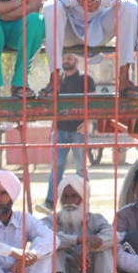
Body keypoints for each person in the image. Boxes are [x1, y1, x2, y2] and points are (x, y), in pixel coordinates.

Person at [40, 0, 138, 98]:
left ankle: (124, 78)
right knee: (51, 6)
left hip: (100, 27)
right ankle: (54, 80)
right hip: (68, 29)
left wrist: (101, 0)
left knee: (130, 5)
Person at [40, 174, 116, 273]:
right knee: (51, 246)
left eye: (74, 196)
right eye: (65, 196)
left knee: (102, 244)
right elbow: (42, 236)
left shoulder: (95, 220)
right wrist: (79, 240)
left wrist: (88, 247)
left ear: (83, 198)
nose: (69, 201)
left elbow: (114, 235)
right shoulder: (50, 220)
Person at [39, 53, 94, 214]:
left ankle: (85, 204)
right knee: (57, 166)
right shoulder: (59, 79)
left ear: (77, 61)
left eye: (69, 58)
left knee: (81, 168)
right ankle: (50, 203)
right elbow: (55, 105)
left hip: (79, 129)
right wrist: (52, 129)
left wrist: (88, 123)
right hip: (60, 129)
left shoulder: (86, 78)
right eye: (64, 58)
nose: (65, 61)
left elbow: (93, 103)